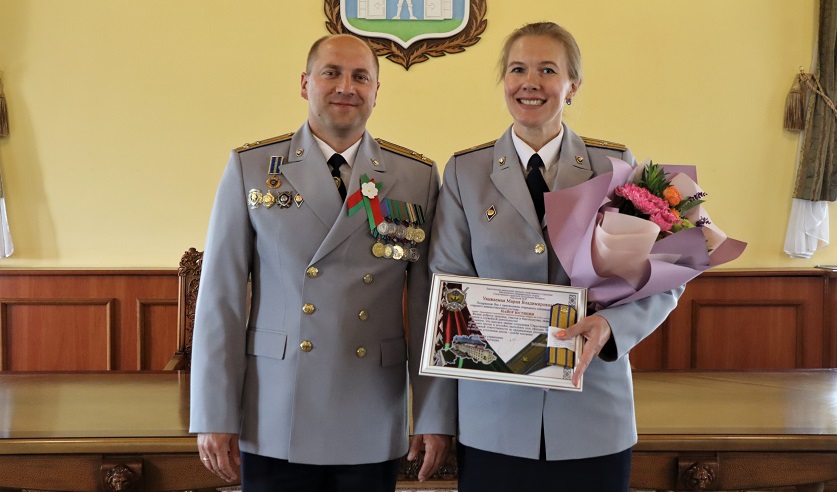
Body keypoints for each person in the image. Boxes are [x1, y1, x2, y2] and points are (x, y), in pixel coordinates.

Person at [190, 34, 455, 491]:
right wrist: (214, 412)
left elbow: (429, 308)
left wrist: (433, 413)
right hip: (276, 407)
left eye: (360, 77)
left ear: (376, 91)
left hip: (370, 404)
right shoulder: (253, 168)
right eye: (331, 73)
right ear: (305, 83)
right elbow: (221, 300)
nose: (345, 87)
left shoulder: (415, 176)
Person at [428, 22, 684, 491]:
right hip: (494, 420)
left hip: (593, 414)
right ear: (504, 81)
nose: (530, 82)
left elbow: (670, 272)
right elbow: (448, 290)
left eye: (547, 70)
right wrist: (437, 417)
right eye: (517, 69)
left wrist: (612, 326)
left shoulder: (613, 165)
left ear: (572, 86)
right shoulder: (466, 172)